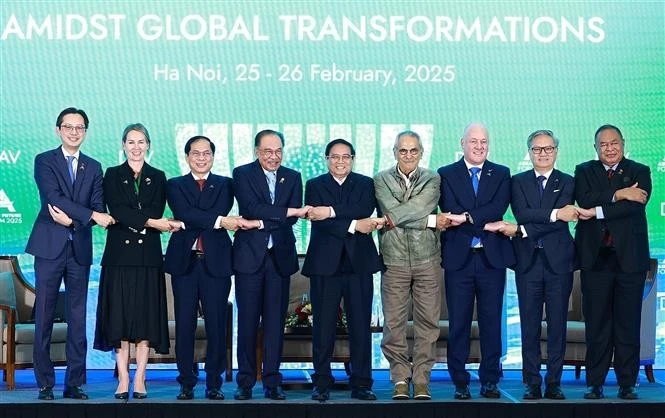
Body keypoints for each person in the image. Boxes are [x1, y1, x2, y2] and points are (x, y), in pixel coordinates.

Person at [26, 107, 115, 400]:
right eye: (68, 127)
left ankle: (74, 382)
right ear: (58, 130)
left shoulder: (94, 166)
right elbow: (53, 198)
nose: (74, 132)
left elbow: (99, 209)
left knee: (78, 318)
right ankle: (44, 383)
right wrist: (88, 216)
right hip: (49, 247)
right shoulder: (45, 161)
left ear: (85, 132)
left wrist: (74, 220)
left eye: (79, 128)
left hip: (79, 248)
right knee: (45, 315)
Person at [485, 130, 578, 400]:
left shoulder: (569, 182)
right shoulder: (518, 182)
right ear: (530, 152)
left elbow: (559, 221)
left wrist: (522, 230)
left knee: (558, 325)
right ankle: (532, 382)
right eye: (537, 149)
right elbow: (523, 213)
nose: (543, 153)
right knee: (529, 326)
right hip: (527, 263)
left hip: (558, 263)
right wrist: (552, 214)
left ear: (556, 151)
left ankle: (554, 382)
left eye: (548, 148)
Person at [94, 123, 176, 400]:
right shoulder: (113, 174)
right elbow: (116, 209)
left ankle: (140, 377)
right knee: (120, 318)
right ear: (123, 145)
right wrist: (152, 222)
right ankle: (123, 378)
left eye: (141, 142)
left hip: (148, 256)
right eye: (131, 142)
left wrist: (140, 217)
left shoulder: (158, 176)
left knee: (144, 317)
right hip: (119, 256)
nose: (136, 147)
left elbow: (155, 208)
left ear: (149, 145)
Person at [302, 138, 384, 401]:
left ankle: (361, 382)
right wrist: (351, 225)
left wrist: (330, 211)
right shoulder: (314, 185)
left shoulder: (365, 183)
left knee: (360, 325)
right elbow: (319, 221)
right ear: (327, 160)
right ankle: (321, 382)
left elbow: (364, 209)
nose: (340, 161)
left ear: (353, 158)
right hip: (325, 266)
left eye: (345, 157)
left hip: (358, 263)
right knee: (323, 326)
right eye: (335, 157)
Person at [438, 123, 515, 400]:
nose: (479, 146)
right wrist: (477, 219)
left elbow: (498, 208)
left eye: (484, 141)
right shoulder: (446, 174)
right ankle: (460, 381)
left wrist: (467, 218)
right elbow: (449, 208)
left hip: (491, 259)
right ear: (462, 143)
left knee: (491, 322)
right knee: (458, 322)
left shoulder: (502, 173)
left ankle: (490, 379)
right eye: (474, 141)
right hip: (459, 259)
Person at [573, 124, 651, 400]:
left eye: (614, 143)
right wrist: (619, 194)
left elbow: (633, 207)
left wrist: (596, 210)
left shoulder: (640, 171)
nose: (609, 148)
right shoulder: (584, 171)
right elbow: (583, 199)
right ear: (596, 148)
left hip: (629, 260)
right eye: (603, 144)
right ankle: (595, 383)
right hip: (595, 260)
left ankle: (627, 383)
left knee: (627, 325)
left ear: (622, 144)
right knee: (597, 325)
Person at [232, 129, 309, 400]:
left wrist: (265, 221)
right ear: (256, 151)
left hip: (279, 259)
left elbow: (293, 218)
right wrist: (281, 213)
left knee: (276, 323)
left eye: (278, 151)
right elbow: (251, 207)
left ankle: (273, 381)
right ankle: (245, 382)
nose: (273, 157)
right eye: (267, 151)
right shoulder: (242, 174)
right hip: (248, 259)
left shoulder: (293, 176)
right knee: (248, 322)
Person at [165, 135, 242, 400]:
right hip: (184, 264)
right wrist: (219, 221)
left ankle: (214, 382)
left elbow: (196, 214)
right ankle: (186, 382)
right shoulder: (174, 184)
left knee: (216, 325)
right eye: (195, 153)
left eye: (206, 153)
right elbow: (183, 212)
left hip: (217, 263)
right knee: (185, 325)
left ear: (213, 156)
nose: (201, 158)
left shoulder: (226, 185)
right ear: (187, 157)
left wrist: (196, 219)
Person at [374, 130, 447, 401]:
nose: (408, 155)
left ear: (421, 152)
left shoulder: (432, 178)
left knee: (428, 323)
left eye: (413, 150)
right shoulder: (380, 179)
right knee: (393, 324)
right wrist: (430, 221)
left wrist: (393, 218)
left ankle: (422, 380)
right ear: (395, 152)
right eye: (403, 151)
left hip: (427, 259)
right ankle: (400, 379)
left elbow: (418, 207)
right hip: (393, 260)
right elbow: (395, 207)